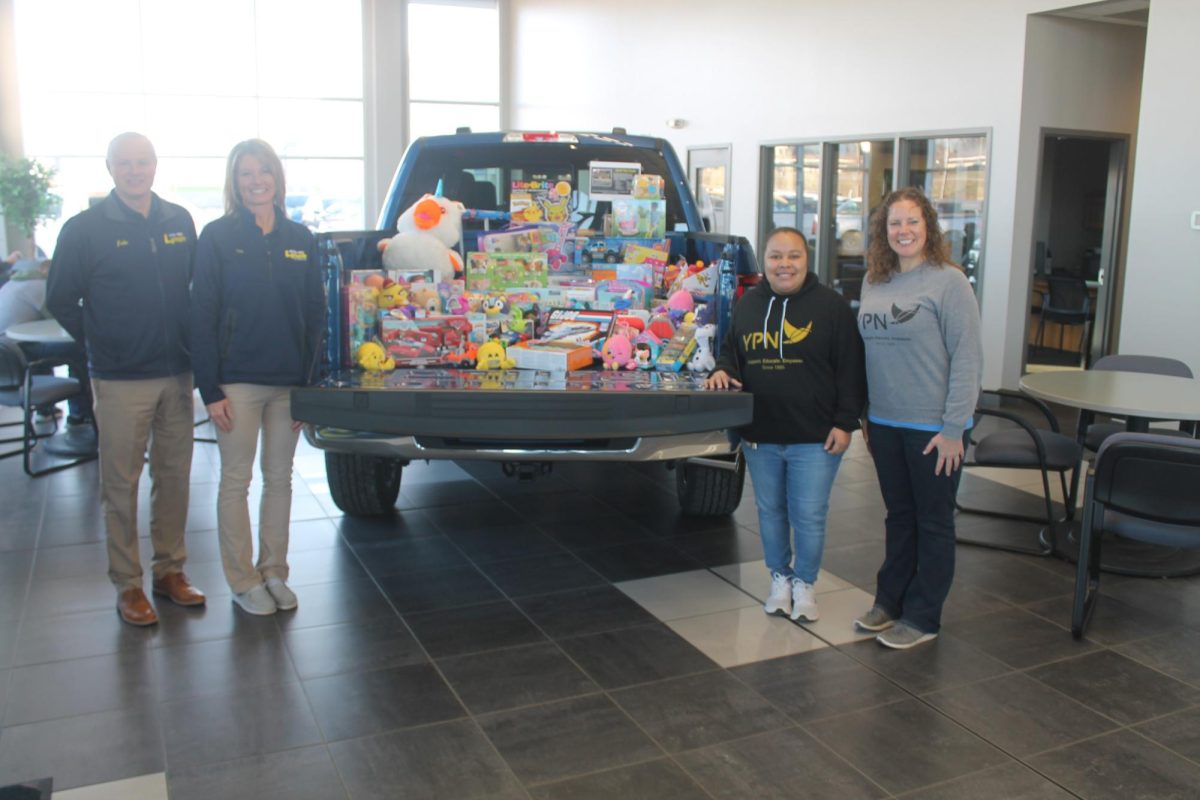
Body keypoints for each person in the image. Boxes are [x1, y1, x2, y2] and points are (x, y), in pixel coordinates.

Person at [46, 132, 204, 626]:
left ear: (155, 165)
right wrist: (99, 343)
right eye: (125, 164)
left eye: (143, 162)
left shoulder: (179, 220)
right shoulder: (83, 229)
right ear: (110, 168)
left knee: (175, 478)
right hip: (118, 379)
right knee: (121, 484)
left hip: (176, 373)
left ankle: (169, 571)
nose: (136, 171)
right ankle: (128, 585)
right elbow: (60, 299)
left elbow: (194, 288)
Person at [191, 139, 325, 616]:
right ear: (235, 182)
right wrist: (209, 390)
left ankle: (274, 572)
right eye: (246, 173)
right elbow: (201, 315)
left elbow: (316, 315)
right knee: (235, 481)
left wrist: (309, 388)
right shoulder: (217, 237)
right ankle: (243, 580)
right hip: (237, 384)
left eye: (263, 171)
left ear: (277, 178)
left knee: (280, 479)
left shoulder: (300, 238)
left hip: (289, 383)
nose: (256, 181)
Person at [706, 227, 866, 621]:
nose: (784, 264)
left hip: (815, 438)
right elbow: (731, 353)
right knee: (770, 511)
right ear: (764, 260)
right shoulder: (748, 305)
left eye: (793, 256)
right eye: (776, 256)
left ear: (806, 259)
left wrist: (845, 423)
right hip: (761, 435)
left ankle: (805, 584)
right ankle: (780, 578)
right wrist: (723, 371)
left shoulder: (831, 307)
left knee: (809, 514)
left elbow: (851, 370)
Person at [853, 187, 982, 650]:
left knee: (933, 521)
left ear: (928, 226)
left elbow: (968, 359)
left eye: (912, 221)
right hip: (885, 423)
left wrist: (954, 428)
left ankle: (924, 615)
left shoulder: (950, 282)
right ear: (882, 231)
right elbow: (869, 354)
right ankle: (889, 602)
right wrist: (867, 414)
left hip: (933, 428)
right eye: (894, 223)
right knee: (899, 517)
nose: (903, 231)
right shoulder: (875, 281)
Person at [0, 258, 93, 426]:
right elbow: (61, 317)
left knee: (43, 349)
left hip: (6, 356)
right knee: (79, 350)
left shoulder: (14, 283)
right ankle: (80, 414)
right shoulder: (40, 287)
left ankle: (44, 409)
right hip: (15, 352)